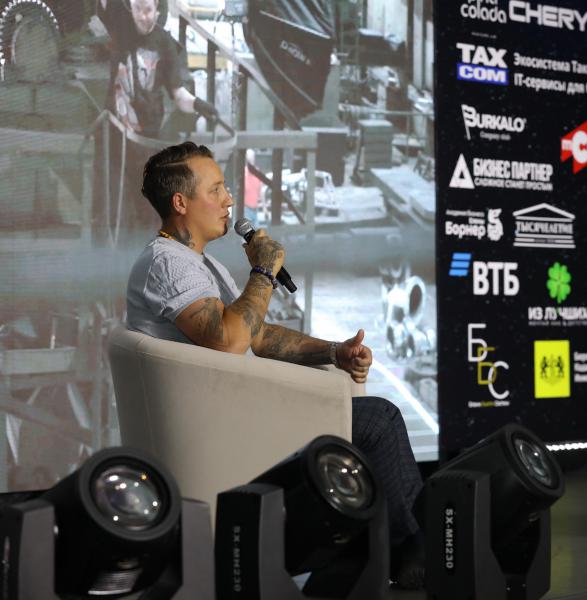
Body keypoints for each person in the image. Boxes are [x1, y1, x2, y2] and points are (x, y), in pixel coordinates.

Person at [125, 142, 424, 588]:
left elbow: (257, 334)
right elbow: (230, 340)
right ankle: (416, 552)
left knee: (369, 426)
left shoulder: (195, 262)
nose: (229, 199)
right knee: (378, 421)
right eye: (216, 189)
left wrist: (334, 351)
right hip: (222, 424)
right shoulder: (168, 264)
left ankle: (364, 561)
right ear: (181, 203)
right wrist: (263, 271)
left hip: (238, 409)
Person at [93, 0, 218, 242]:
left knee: (148, 212)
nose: (144, 16)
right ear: (130, 8)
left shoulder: (164, 43)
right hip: (115, 141)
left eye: (148, 10)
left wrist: (198, 105)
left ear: (157, 10)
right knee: (112, 209)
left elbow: (178, 94)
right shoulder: (120, 29)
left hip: (147, 143)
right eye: (138, 9)